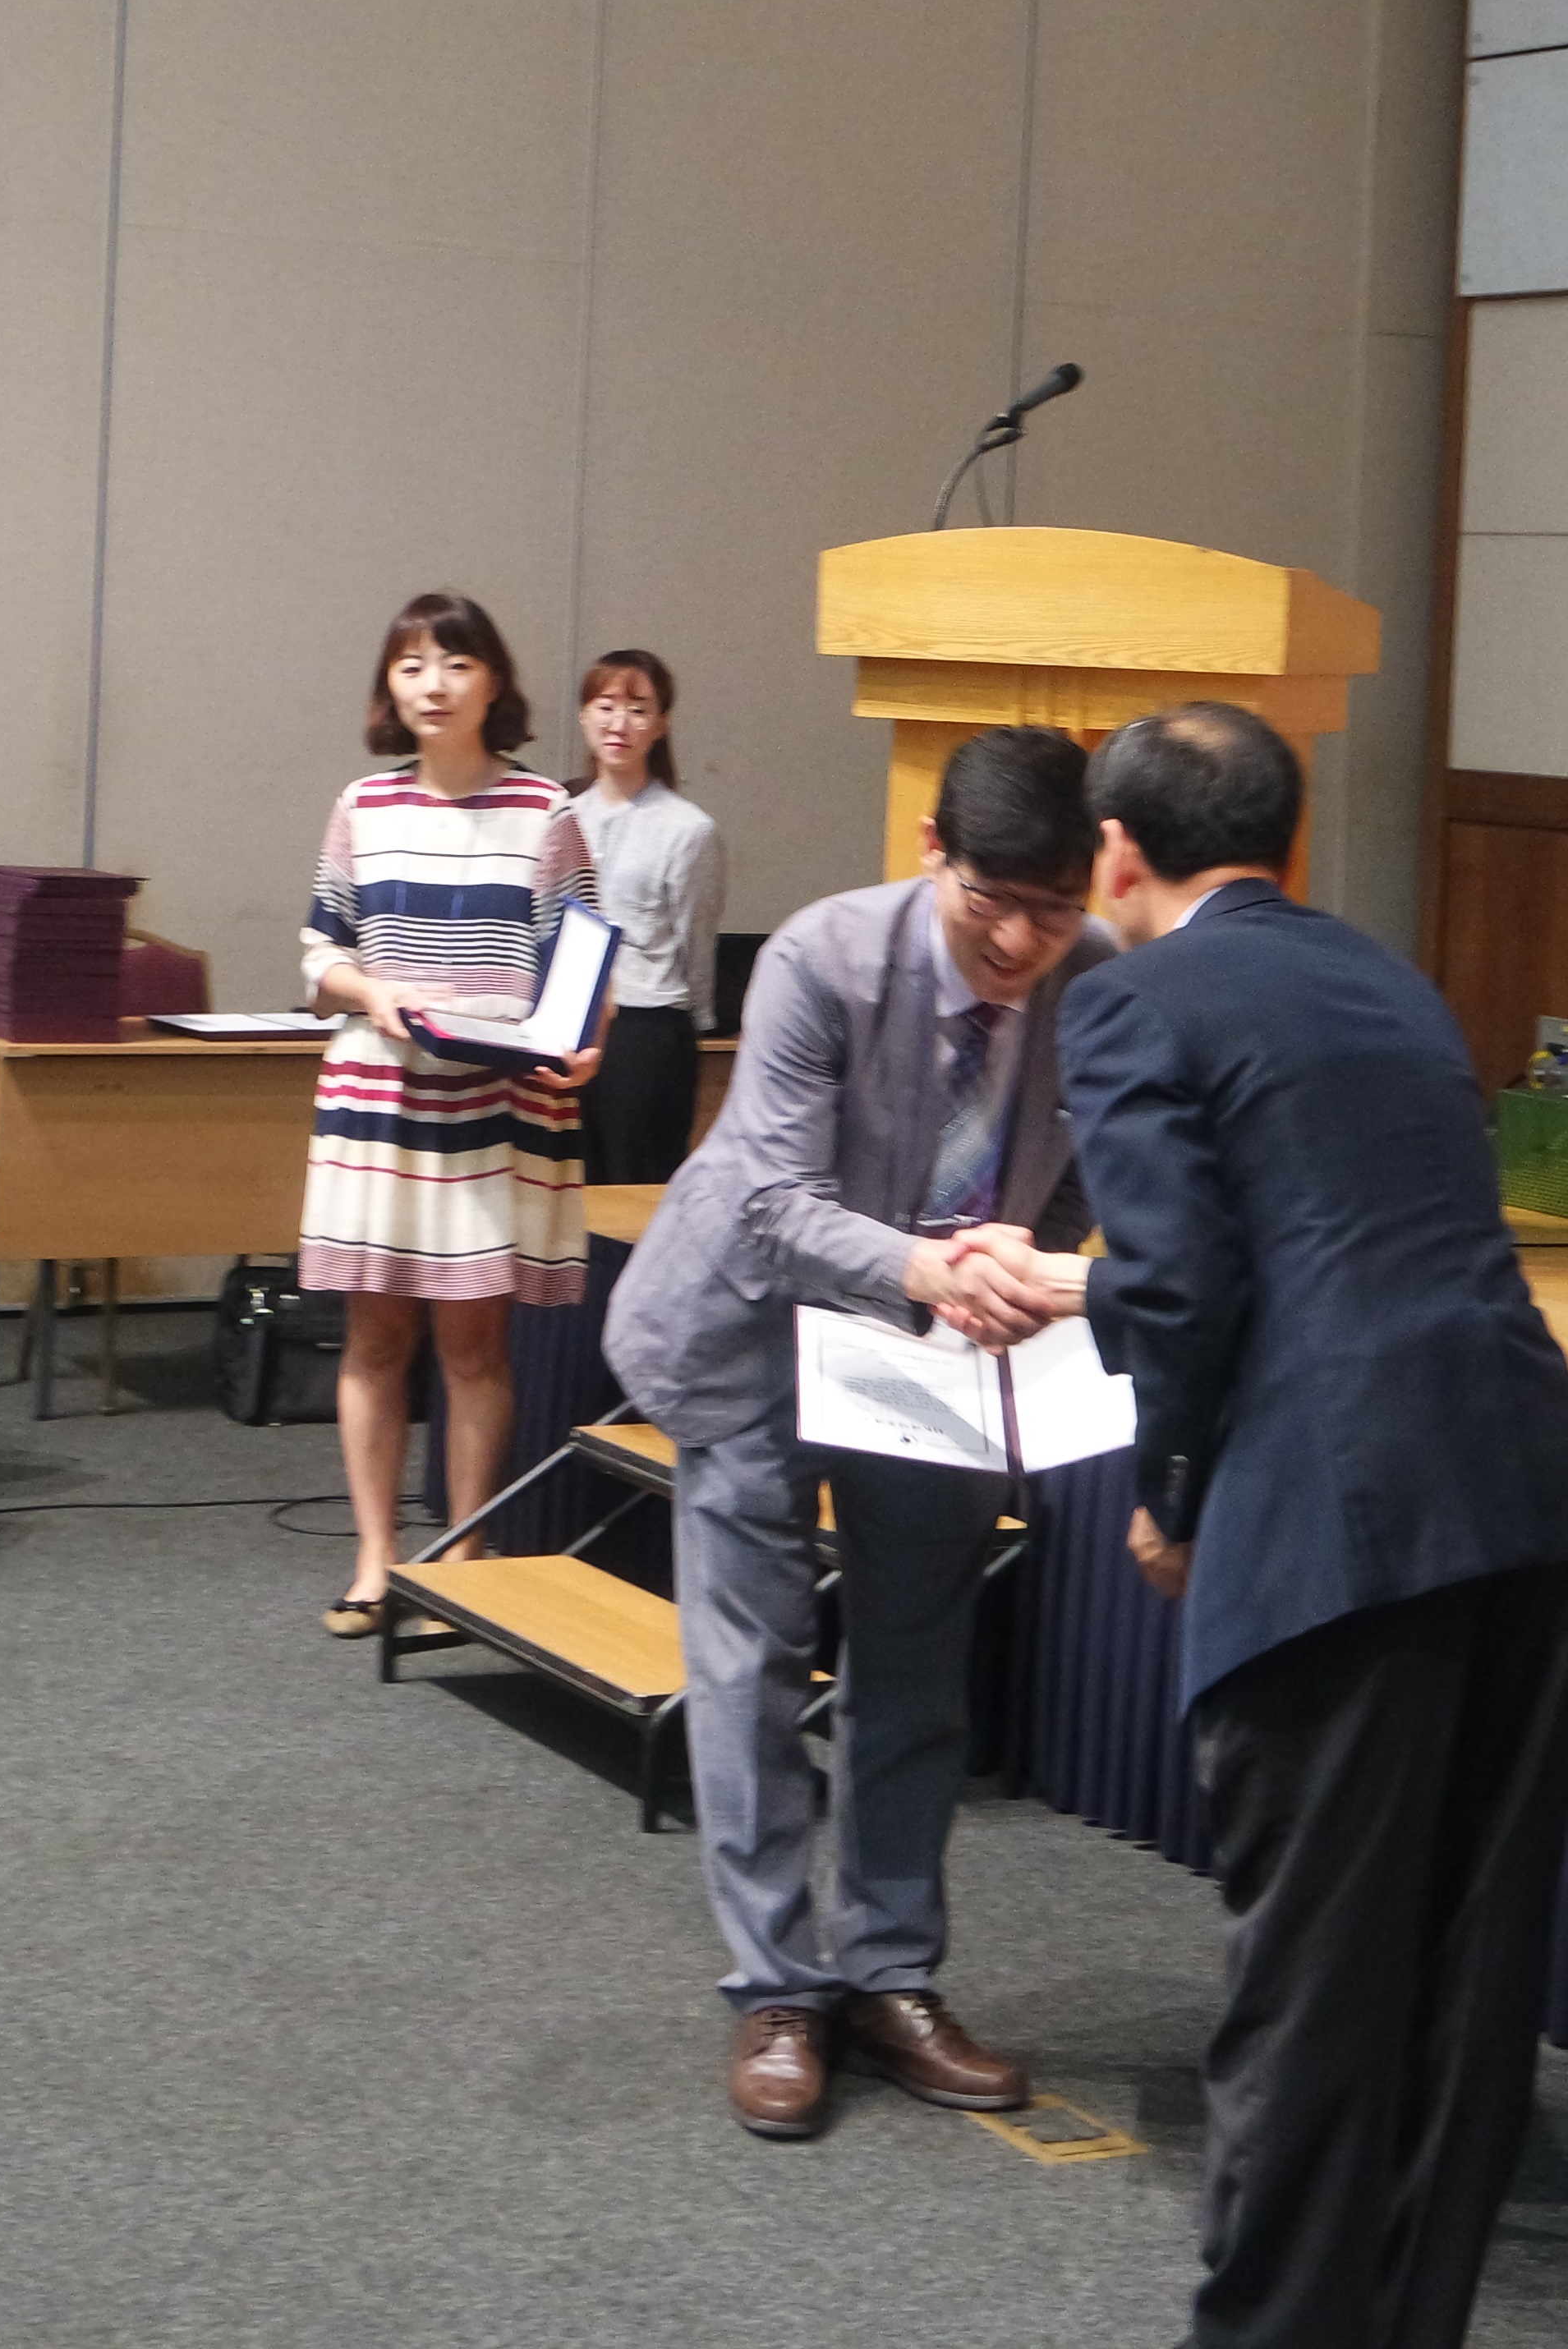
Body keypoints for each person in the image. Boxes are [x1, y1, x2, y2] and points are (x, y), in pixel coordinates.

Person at [962, 703, 1568, 2349]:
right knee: (1463, 1994)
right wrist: (1097, 1290)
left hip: (1338, 1529)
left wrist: (1172, 1498)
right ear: (1287, 840)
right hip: (1534, 1495)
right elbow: (1325, 1238)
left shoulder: (1128, 995)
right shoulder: (1388, 978)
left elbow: (1189, 1284)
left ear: (1115, 850)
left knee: (1312, 2001)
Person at [601, 726, 1111, 2142]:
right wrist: (931, 1267)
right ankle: (777, 1988)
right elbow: (773, 1205)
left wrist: (1025, 1263)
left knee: (916, 1666)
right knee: (751, 1665)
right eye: (991, 899)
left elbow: (1080, 1168)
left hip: (932, 1355)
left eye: (1054, 908)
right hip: (758, 1332)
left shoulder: (1096, 978)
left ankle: (891, 1978)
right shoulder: (823, 957)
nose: (1020, 940)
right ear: (933, 851)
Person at [298, 593, 602, 1641]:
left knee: (474, 1345)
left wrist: (586, 1041)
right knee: (375, 1336)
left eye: (457, 664)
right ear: (389, 686)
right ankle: (376, 1560)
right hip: (379, 1097)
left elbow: (583, 959)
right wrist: (370, 990)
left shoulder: (545, 811)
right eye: (413, 665)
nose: (434, 685)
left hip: (495, 1099)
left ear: (494, 681)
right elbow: (321, 950)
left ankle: (464, 1561)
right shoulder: (363, 804)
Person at [568, 648, 724, 1188]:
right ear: (584, 715)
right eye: (606, 705)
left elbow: (695, 944)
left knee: (636, 1185)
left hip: (646, 1027)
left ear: (661, 724)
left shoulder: (688, 829)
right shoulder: (561, 817)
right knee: (565, 1181)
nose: (619, 723)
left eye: (638, 709)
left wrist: (688, 1035)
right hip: (569, 1023)